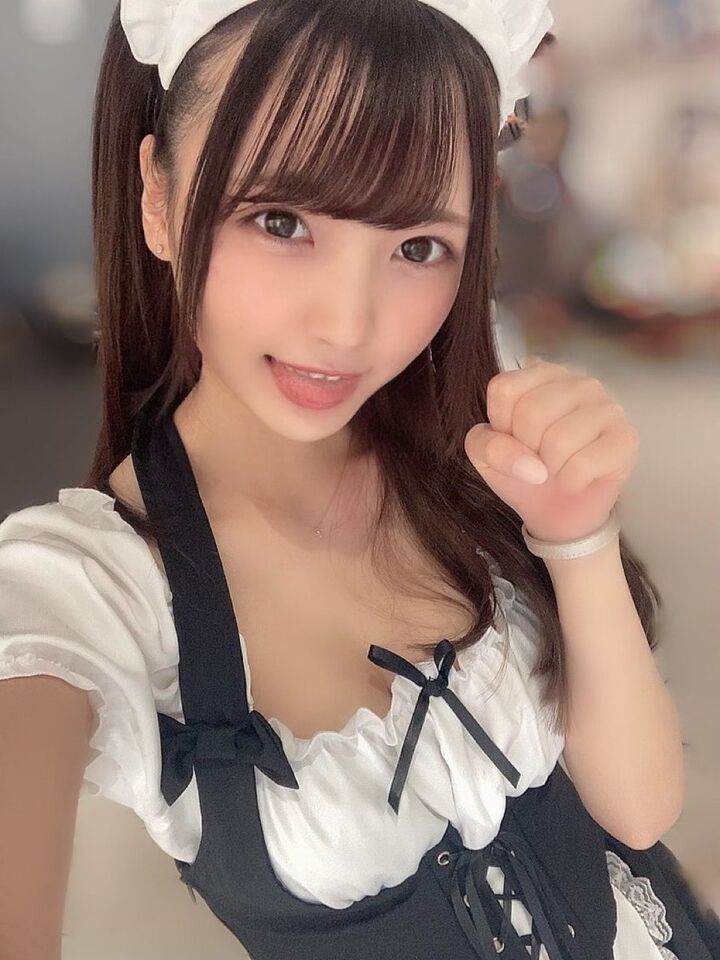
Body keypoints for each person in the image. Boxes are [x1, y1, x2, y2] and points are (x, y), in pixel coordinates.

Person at [1, 1, 719, 958]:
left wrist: (577, 537)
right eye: (282, 221)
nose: (348, 325)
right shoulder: (85, 588)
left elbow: (636, 812)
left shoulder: (471, 465)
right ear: (158, 198)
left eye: (418, 247)